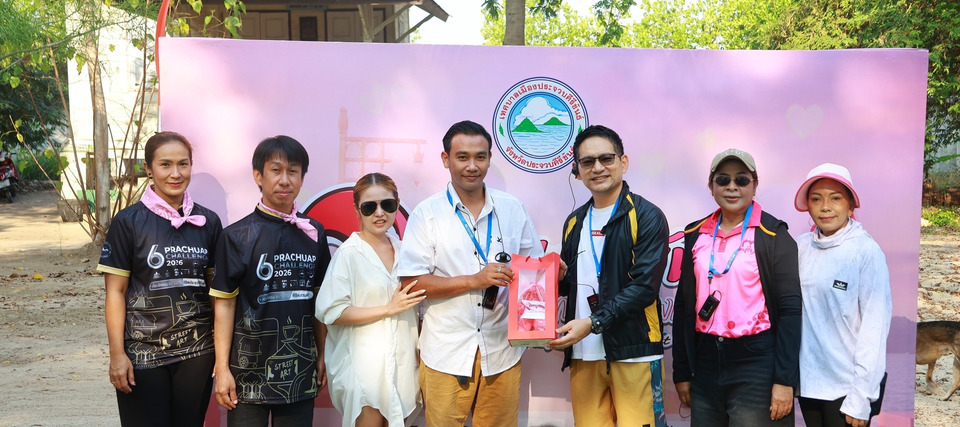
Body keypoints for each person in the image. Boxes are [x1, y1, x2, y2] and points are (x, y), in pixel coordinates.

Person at [396, 120, 545, 427]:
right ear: (446, 159)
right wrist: (474, 281)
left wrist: (549, 271)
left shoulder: (512, 208)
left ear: (490, 159)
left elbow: (534, 271)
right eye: (462, 157)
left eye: (480, 157)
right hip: (447, 352)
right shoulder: (427, 213)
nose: (472, 166)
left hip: (501, 351)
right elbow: (411, 281)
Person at [546, 125, 670, 426]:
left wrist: (593, 323)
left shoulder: (647, 216)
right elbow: (572, 286)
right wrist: (558, 279)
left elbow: (644, 287)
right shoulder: (574, 222)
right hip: (584, 353)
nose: (598, 168)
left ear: (623, 162)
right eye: (587, 161)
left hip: (634, 352)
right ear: (577, 170)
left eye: (606, 158)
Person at [97, 131, 222, 426]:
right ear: (149, 168)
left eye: (183, 164)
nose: (175, 174)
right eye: (165, 164)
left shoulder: (208, 222)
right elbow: (115, 293)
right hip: (143, 354)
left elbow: (217, 295)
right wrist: (117, 355)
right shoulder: (128, 222)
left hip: (197, 353)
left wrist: (221, 353)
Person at [672, 148, 801, 426]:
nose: (732, 187)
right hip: (705, 361)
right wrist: (682, 371)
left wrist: (785, 380)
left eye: (741, 180)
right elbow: (682, 306)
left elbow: (790, 311)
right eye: (723, 180)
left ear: (755, 185)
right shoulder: (695, 233)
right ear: (711, 186)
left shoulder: (774, 235)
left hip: (756, 362)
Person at [210, 135, 331, 427]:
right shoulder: (235, 236)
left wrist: (322, 354)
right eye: (276, 170)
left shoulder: (314, 232)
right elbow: (224, 306)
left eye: (293, 171)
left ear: (302, 178)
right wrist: (222, 368)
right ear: (258, 176)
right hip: (246, 375)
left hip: (300, 371)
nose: (285, 180)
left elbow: (319, 301)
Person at [316, 172, 425, 427]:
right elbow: (332, 311)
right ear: (357, 210)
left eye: (387, 205)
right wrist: (388, 309)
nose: (379, 213)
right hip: (364, 368)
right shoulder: (349, 254)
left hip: (403, 365)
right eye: (369, 207)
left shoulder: (405, 252)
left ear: (397, 205)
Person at [794, 163, 891, 427]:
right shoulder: (800, 247)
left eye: (835, 198)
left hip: (847, 390)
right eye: (816, 199)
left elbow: (875, 326)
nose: (825, 207)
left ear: (850, 206)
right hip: (808, 385)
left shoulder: (865, 251)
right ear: (808, 206)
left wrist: (861, 396)